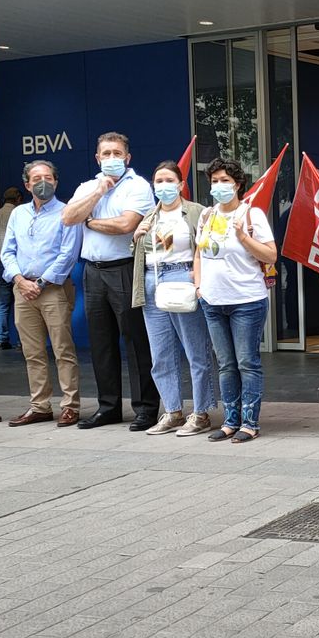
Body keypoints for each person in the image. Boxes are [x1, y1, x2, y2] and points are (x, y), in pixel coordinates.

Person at [63, 132, 159, 431]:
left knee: (135, 340)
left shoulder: (139, 186)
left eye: (118, 153)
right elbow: (67, 217)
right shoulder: (87, 186)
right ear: (97, 158)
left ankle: (145, 407)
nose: (112, 159)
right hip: (92, 271)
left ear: (128, 158)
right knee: (101, 342)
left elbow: (126, 225)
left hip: (125, 269)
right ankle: (108, 407)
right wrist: (98, 193)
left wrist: (90, 221)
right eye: (106, 153)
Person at [131, 160, 216, 436]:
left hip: (182, 279)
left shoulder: (196, 213)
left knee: (195, 350)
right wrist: (136, 236)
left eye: (169, 180)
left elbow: (207, 248)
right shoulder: (148, 217)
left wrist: (199, 280)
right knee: (160, 354)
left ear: (180, 184)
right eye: (159, 181)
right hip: (152, 282)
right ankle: (172, 411)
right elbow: (139, 251)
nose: (164, 186)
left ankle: (201, 412)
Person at [194, 157, 276, 443]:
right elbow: (198, 253)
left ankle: (250, 422)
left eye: (225, 181)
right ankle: (230, 420)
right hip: (213, 301)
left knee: (246, 362)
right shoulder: (206, 216)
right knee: (226, 364)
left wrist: (243, 236)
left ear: (238, 184)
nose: (219, 186)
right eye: (215, 181)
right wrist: (198, 286)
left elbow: (270, 255)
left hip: (247, 300)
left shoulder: (252, 215)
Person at [0, 159, 83, 427]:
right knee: (32, 352)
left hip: (53, 289)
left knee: (63, 350)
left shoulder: (67, 212)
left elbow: (68, 254)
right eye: (36, 179)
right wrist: (19, 279)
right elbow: (7, 251)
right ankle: (39, 405)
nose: (43, 183)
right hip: (22, 289)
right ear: (27, 184)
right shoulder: (18, 214)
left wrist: (42, 282)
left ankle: (70, 406)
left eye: (48, 177)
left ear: (56, 182)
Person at [0, 187, 24, 349]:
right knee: (22, 301)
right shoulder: (19, 214)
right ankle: (23, 339)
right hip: (17, 262)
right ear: (17, 198)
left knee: (3, 302)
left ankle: (2, 338)